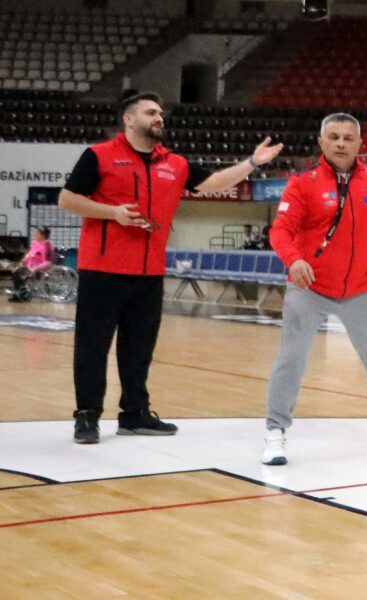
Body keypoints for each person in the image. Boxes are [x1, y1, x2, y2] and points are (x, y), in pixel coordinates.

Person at [59, 91, 284, 444]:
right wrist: (113, 213)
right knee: (92, 347)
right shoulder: (99, 156)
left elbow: (214, 184)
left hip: (149, 273)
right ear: (129, 119)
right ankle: (87, 416)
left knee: (139, 350)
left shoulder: (175, 163)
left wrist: (252, 163)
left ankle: (135, 414)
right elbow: (67, 199)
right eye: (151, 112)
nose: (159, 117)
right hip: (102, 270)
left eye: (161, 113)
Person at [261, 112, 367, 466]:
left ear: (359, 143)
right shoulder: (303, 183)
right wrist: (293, 260)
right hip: (309, 287)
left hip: (361, 289)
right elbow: (280, 230)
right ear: (321, 142)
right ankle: (275, 431)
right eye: (334, 137)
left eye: (348, 138)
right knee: (291, 359)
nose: (341, 144)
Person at [8, 226, 54, 302]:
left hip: (39, 269)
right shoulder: (35, 243)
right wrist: (22, 262)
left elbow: (48, 262)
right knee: (15, 270)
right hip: (30, 266)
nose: (35, 235)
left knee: (17, 273)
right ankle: (21, 293)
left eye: (37, 233)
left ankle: (21, 295)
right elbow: (30, 254)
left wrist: (35, 268)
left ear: (43, 235)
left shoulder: (47, 245)